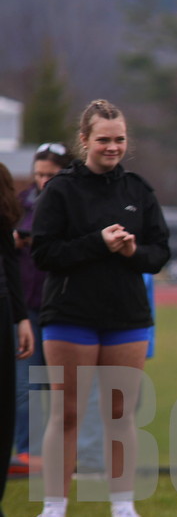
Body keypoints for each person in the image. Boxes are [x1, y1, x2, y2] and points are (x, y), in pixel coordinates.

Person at [31, 100, 170, 517]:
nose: (113, 147)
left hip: (126, 317)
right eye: (104, 139)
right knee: (67, 412)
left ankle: (123, 505)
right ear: (85, 140)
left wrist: (132, 252)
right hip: (70, 315)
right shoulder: (61, 190)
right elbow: (44, 253)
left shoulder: (138, 190)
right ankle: (54, 505)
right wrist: (98, 243)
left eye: (119, 139)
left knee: (120, 414)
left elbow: (159, 253)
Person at [12, 142, 72, 474]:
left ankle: (66, 455)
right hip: (26, 311)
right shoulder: (19, 205)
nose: (43, 180)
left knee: (64, 388)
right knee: (26, 386)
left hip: (63, 310)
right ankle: (29, 454)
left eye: (51, 174)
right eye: (39, 174)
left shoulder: (74, 205)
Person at [0, 162, 35, 505]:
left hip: (3, 309)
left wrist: (21, 318)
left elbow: (9, 258)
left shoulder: (1, 177)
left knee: (5, 405)